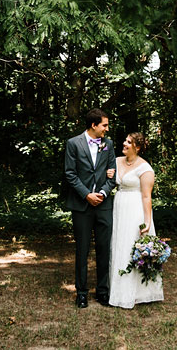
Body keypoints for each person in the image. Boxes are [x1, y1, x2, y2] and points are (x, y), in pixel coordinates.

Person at [62, 108, 117, 308]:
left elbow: (113, 173)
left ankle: (103, 292)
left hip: (104, 205)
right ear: (93, 125)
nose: (107, 129)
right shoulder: (73, 143)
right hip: (81, 205)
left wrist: (102, 193)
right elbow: (70, 174)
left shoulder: (108, 144)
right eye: (104, 125)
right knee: (82, 250)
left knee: (104, 249)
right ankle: (82, 293)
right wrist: (87, 194)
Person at [107, 132, 164, 308]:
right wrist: (109, 174)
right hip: (118, 207)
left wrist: (147, 222)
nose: (124, 143)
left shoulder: (145, 169)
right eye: (125, 140)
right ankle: (116, 289)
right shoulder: (116, 161)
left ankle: (138, 292)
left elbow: (147, 197)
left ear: (137, 148)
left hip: (135, 210)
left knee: (130, 245)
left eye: (129, 142)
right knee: (118, 245)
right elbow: (107, 181)